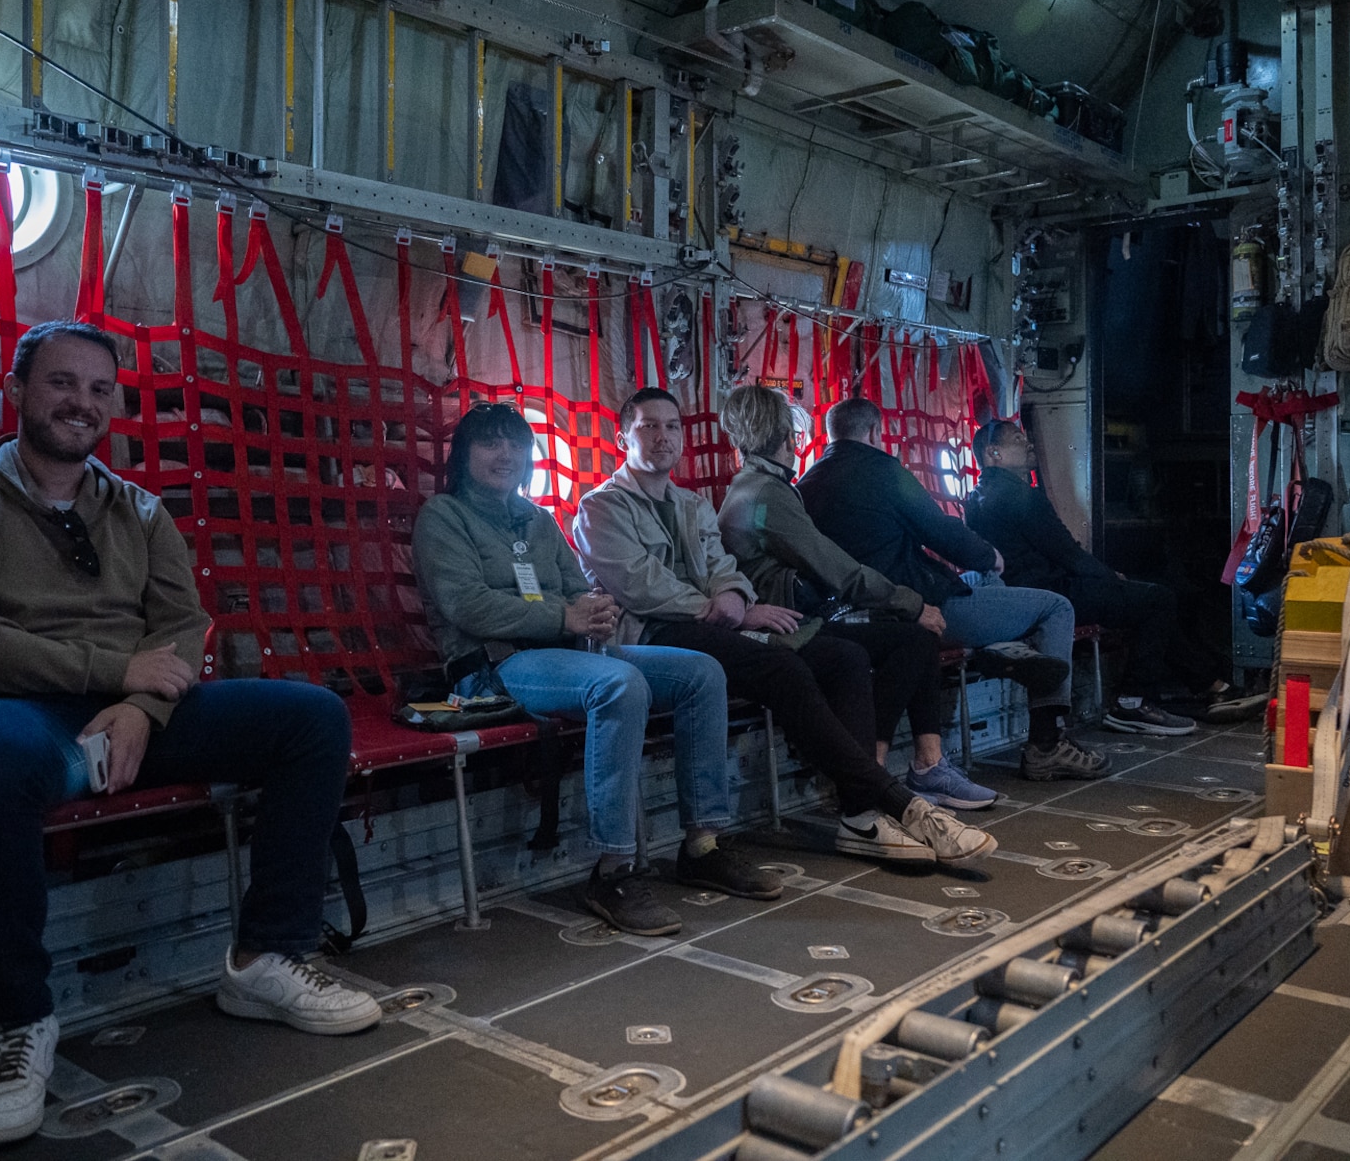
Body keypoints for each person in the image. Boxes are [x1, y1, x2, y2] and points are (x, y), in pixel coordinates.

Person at [0, 322, 380, 1148]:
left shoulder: (140, 510)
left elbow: (183, 626)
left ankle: (266, 957)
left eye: (97, 389)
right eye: (60, 383)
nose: (79, 402)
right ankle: (17, 1021)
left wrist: (141, 709)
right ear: (17, 391)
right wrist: (115, 672)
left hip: (137, 706)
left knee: (311, 717)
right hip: (14, 707)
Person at [571, 386, 996, 869]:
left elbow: (722, 568)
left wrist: (734, 599)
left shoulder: (693, 505)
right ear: (624, 434)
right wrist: (730, 608)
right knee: (782, 663)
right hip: (651, 636)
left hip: (719, 625)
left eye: (672, 427)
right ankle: (897, 801)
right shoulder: (602, 507)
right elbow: (642, 587)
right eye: (649, 426)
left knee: (844, 657)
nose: (663, 437)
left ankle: (862, 813)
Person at [411, 403, 780, 938]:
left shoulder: (536, 519)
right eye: (491, 444)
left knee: (701, 671)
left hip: (567, 655)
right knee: (619, 683)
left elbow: (574, 585)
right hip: (495, 666)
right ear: (463, 455)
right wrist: (564, 615)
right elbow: (466, 605)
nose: (506, 455)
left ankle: (703, 844)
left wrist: (595, 611)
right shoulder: (443, 517)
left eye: (516, 444)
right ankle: (614, 870)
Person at [798, 398, 1112, 781]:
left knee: (982, 584)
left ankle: (1000, 647)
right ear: (875, 432)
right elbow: (939, 530)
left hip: (849, 608)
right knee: (1056, 607)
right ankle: (1047, 743)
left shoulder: (807, 482)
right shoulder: (882, 471)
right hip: (916, 602)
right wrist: (987, 555)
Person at [716, 385, 1000, 810]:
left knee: (910, 636)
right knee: (912, 637)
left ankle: (921, 765)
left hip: (795, 613)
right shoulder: (766, 496)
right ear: (786, 437)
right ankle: (876, 773)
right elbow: (836, 568)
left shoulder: (754, 487)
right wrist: (911, 602)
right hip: (793, 622)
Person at [966, 419, 1226, 732]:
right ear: (994, 453)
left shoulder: (976, 498)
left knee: (1146, 600)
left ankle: (1212, 683)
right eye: (1019, 440)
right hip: (1050, 594)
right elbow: (1069, 555)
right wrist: (1112, 578)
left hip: (1016, 593)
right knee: (1157, 599)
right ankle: (1134, 701)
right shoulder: (1022, 497)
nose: (1029, 444)